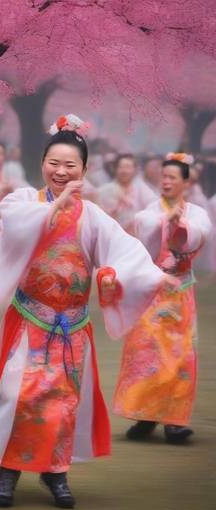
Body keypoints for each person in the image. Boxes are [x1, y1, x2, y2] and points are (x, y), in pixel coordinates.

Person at [0, 114, 174, 509]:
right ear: (42, 163)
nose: (61, 172)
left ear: (84, 170)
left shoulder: (94, 217)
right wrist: (59, 204)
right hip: (29, 319)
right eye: (54, 163)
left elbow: (123, 251)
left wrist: (145, 275)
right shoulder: (21, 202)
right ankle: (7, 473)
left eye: (71, 165)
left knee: (63, 402)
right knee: (17, 395)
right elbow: (16, 227)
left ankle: (56, 473)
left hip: (72, 326)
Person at [113, 153, 212, 444]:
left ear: (186, 183)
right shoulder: (147, 215)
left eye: (172, 177)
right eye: (164, 176)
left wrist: (180, 226)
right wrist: (164, 223)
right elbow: (142, 239)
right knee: (147, 352)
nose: (166, 181)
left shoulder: (197, 215)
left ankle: (174, 421)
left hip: (181, 292)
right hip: (152, 292)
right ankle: (145, 416)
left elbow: (199, 235)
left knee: (180, 356)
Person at [98, 153, 157, 233]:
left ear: (135, 170)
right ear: (115, 169)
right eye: (121, 167)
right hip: (111, 234)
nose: (124, 171)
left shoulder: (142, 188)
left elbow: (153, 206)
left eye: (128, 167)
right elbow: (100, 218)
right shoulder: (104, 190)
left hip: (136, 235)